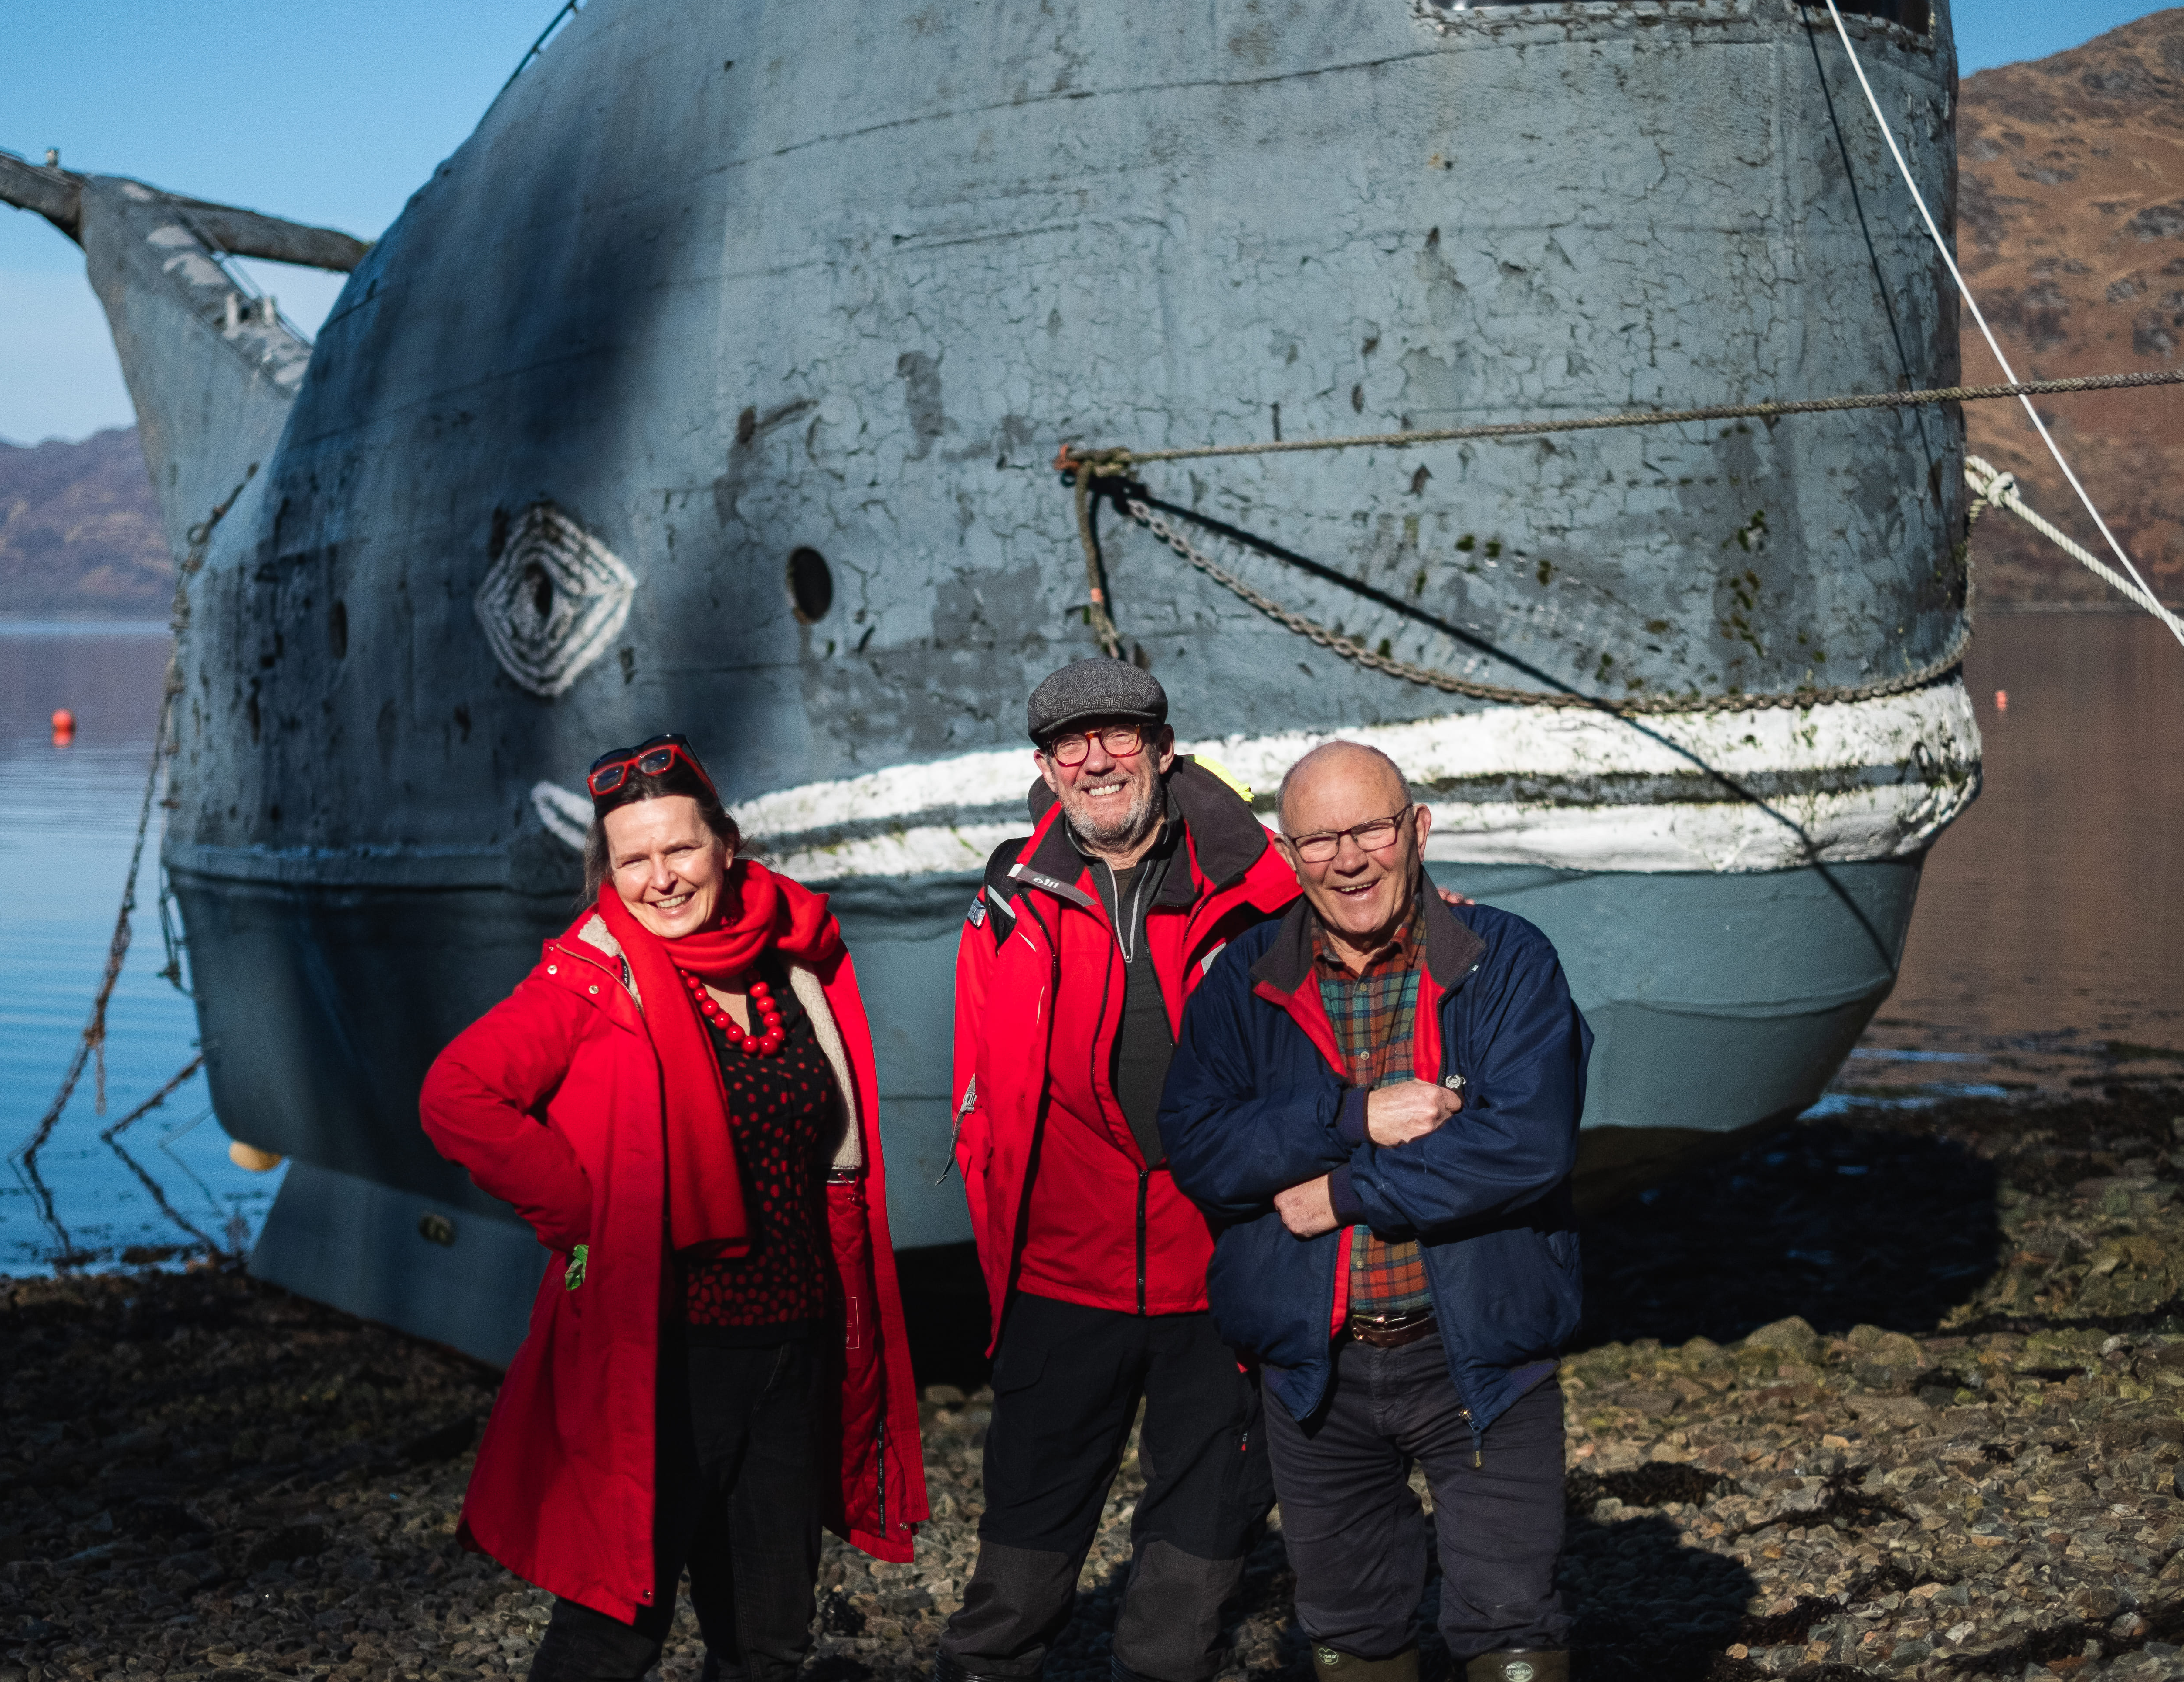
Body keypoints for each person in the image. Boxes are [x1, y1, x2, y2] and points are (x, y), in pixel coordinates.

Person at [421, 733, 929, 1682]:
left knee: (770, 1635)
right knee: (616, 1627)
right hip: (668, 1354)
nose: (661, 878)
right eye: (634, 859)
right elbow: (458, 1095)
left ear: (727, 843)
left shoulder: (789, 961)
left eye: (680, 848)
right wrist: (580, 1206)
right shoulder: (594, 977)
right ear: (609, 871)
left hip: (794, 1345)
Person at [1156, 741, 1590, 1682]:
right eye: (1319, 839)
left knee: (1514, 1618)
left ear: (1417, 829)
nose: (1349, 859)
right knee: (1349, 1627)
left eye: (1370, 829)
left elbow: (1527, 1143)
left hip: (1480, 1350)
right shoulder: (1242, 982)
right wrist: (1351, 1117)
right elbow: (1198, 1145)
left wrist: (1347, 1191)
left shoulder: (1506, 959)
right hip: (1318, 1371)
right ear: (1288, 850)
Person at [936, 658, 1305, 1682]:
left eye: (1119, 734)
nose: (1096, 757)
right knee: (1013, 1589)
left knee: (1183, 1614)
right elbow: (985, 1100)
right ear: (1047, 767)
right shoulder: (1008, 902)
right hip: (1061, 1281)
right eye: (1070, 741)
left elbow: (1372, 945)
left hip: (1216, 1280)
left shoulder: (1265, 890)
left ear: (1163, 747)